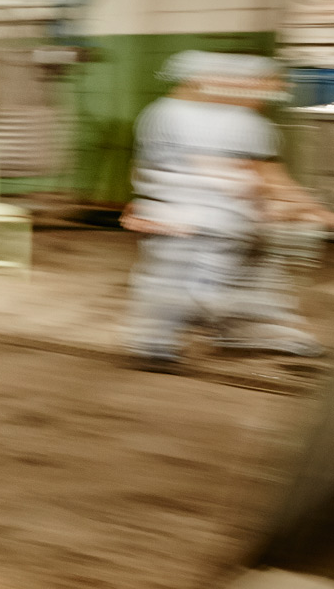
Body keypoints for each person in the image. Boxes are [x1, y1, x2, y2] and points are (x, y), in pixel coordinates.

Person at [124, 50, 334, 366]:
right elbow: (267, 178)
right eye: (262, 88)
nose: (266, 96)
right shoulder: (238, 121)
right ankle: (157, 344)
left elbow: (144, 170)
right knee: (193, 287)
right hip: (208, 226)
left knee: (250, 276)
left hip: (187, 218)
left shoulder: (158, 113)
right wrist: (320, 214)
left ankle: (233, 334)